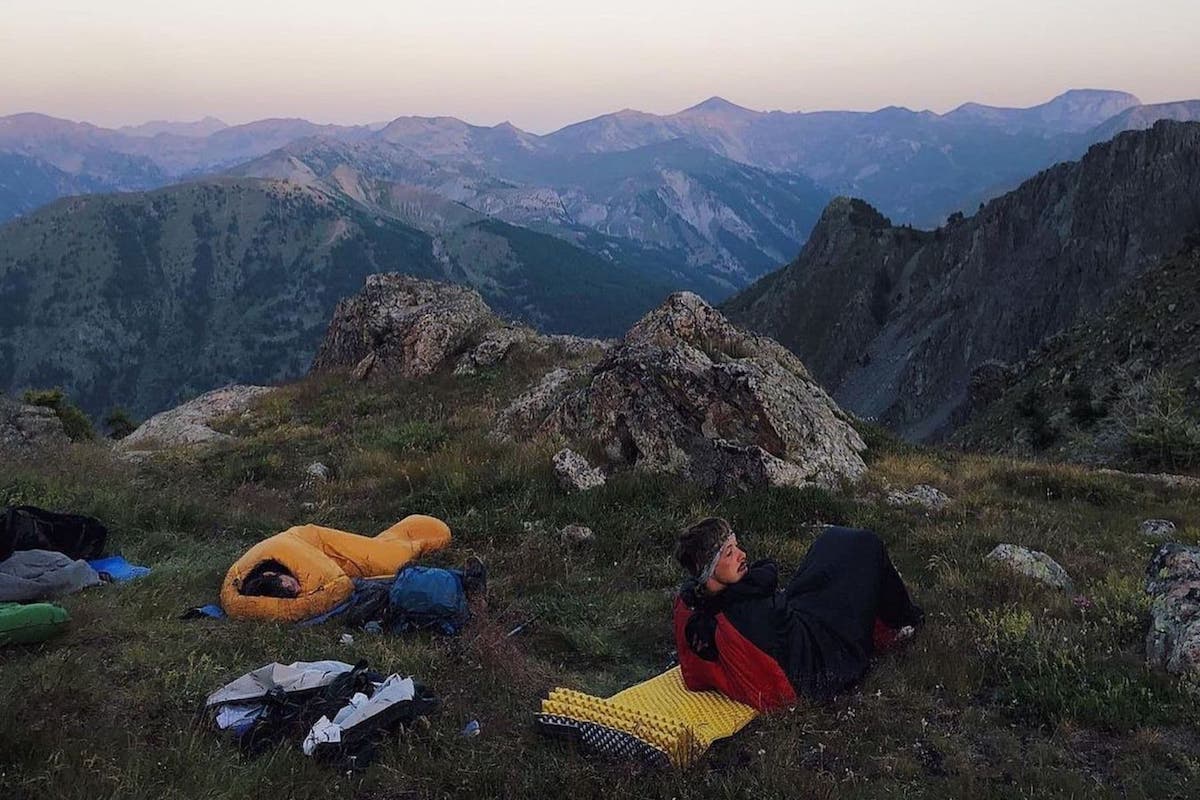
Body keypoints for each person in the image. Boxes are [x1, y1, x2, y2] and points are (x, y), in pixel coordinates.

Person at [673, 518, 923, 711]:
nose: (742, 554)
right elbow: (787, 675)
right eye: (729, 553)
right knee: (865, 546)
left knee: (832, 541)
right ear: (709, 570)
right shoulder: (746, 611)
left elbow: (698, 671)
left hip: (794, 633)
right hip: (818, 657)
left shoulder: (699, 608)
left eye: (736, 546)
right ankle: (900, 621)